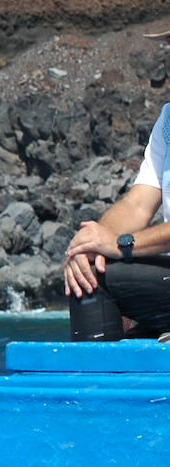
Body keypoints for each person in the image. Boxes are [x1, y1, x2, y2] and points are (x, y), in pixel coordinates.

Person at [64, 102, 170, 341]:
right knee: (87, 273)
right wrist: (92, 243)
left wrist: (121, 244)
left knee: (99, 280)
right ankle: (101, 374)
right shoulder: (169, 118)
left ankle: (92, 373)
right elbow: (138, 204)